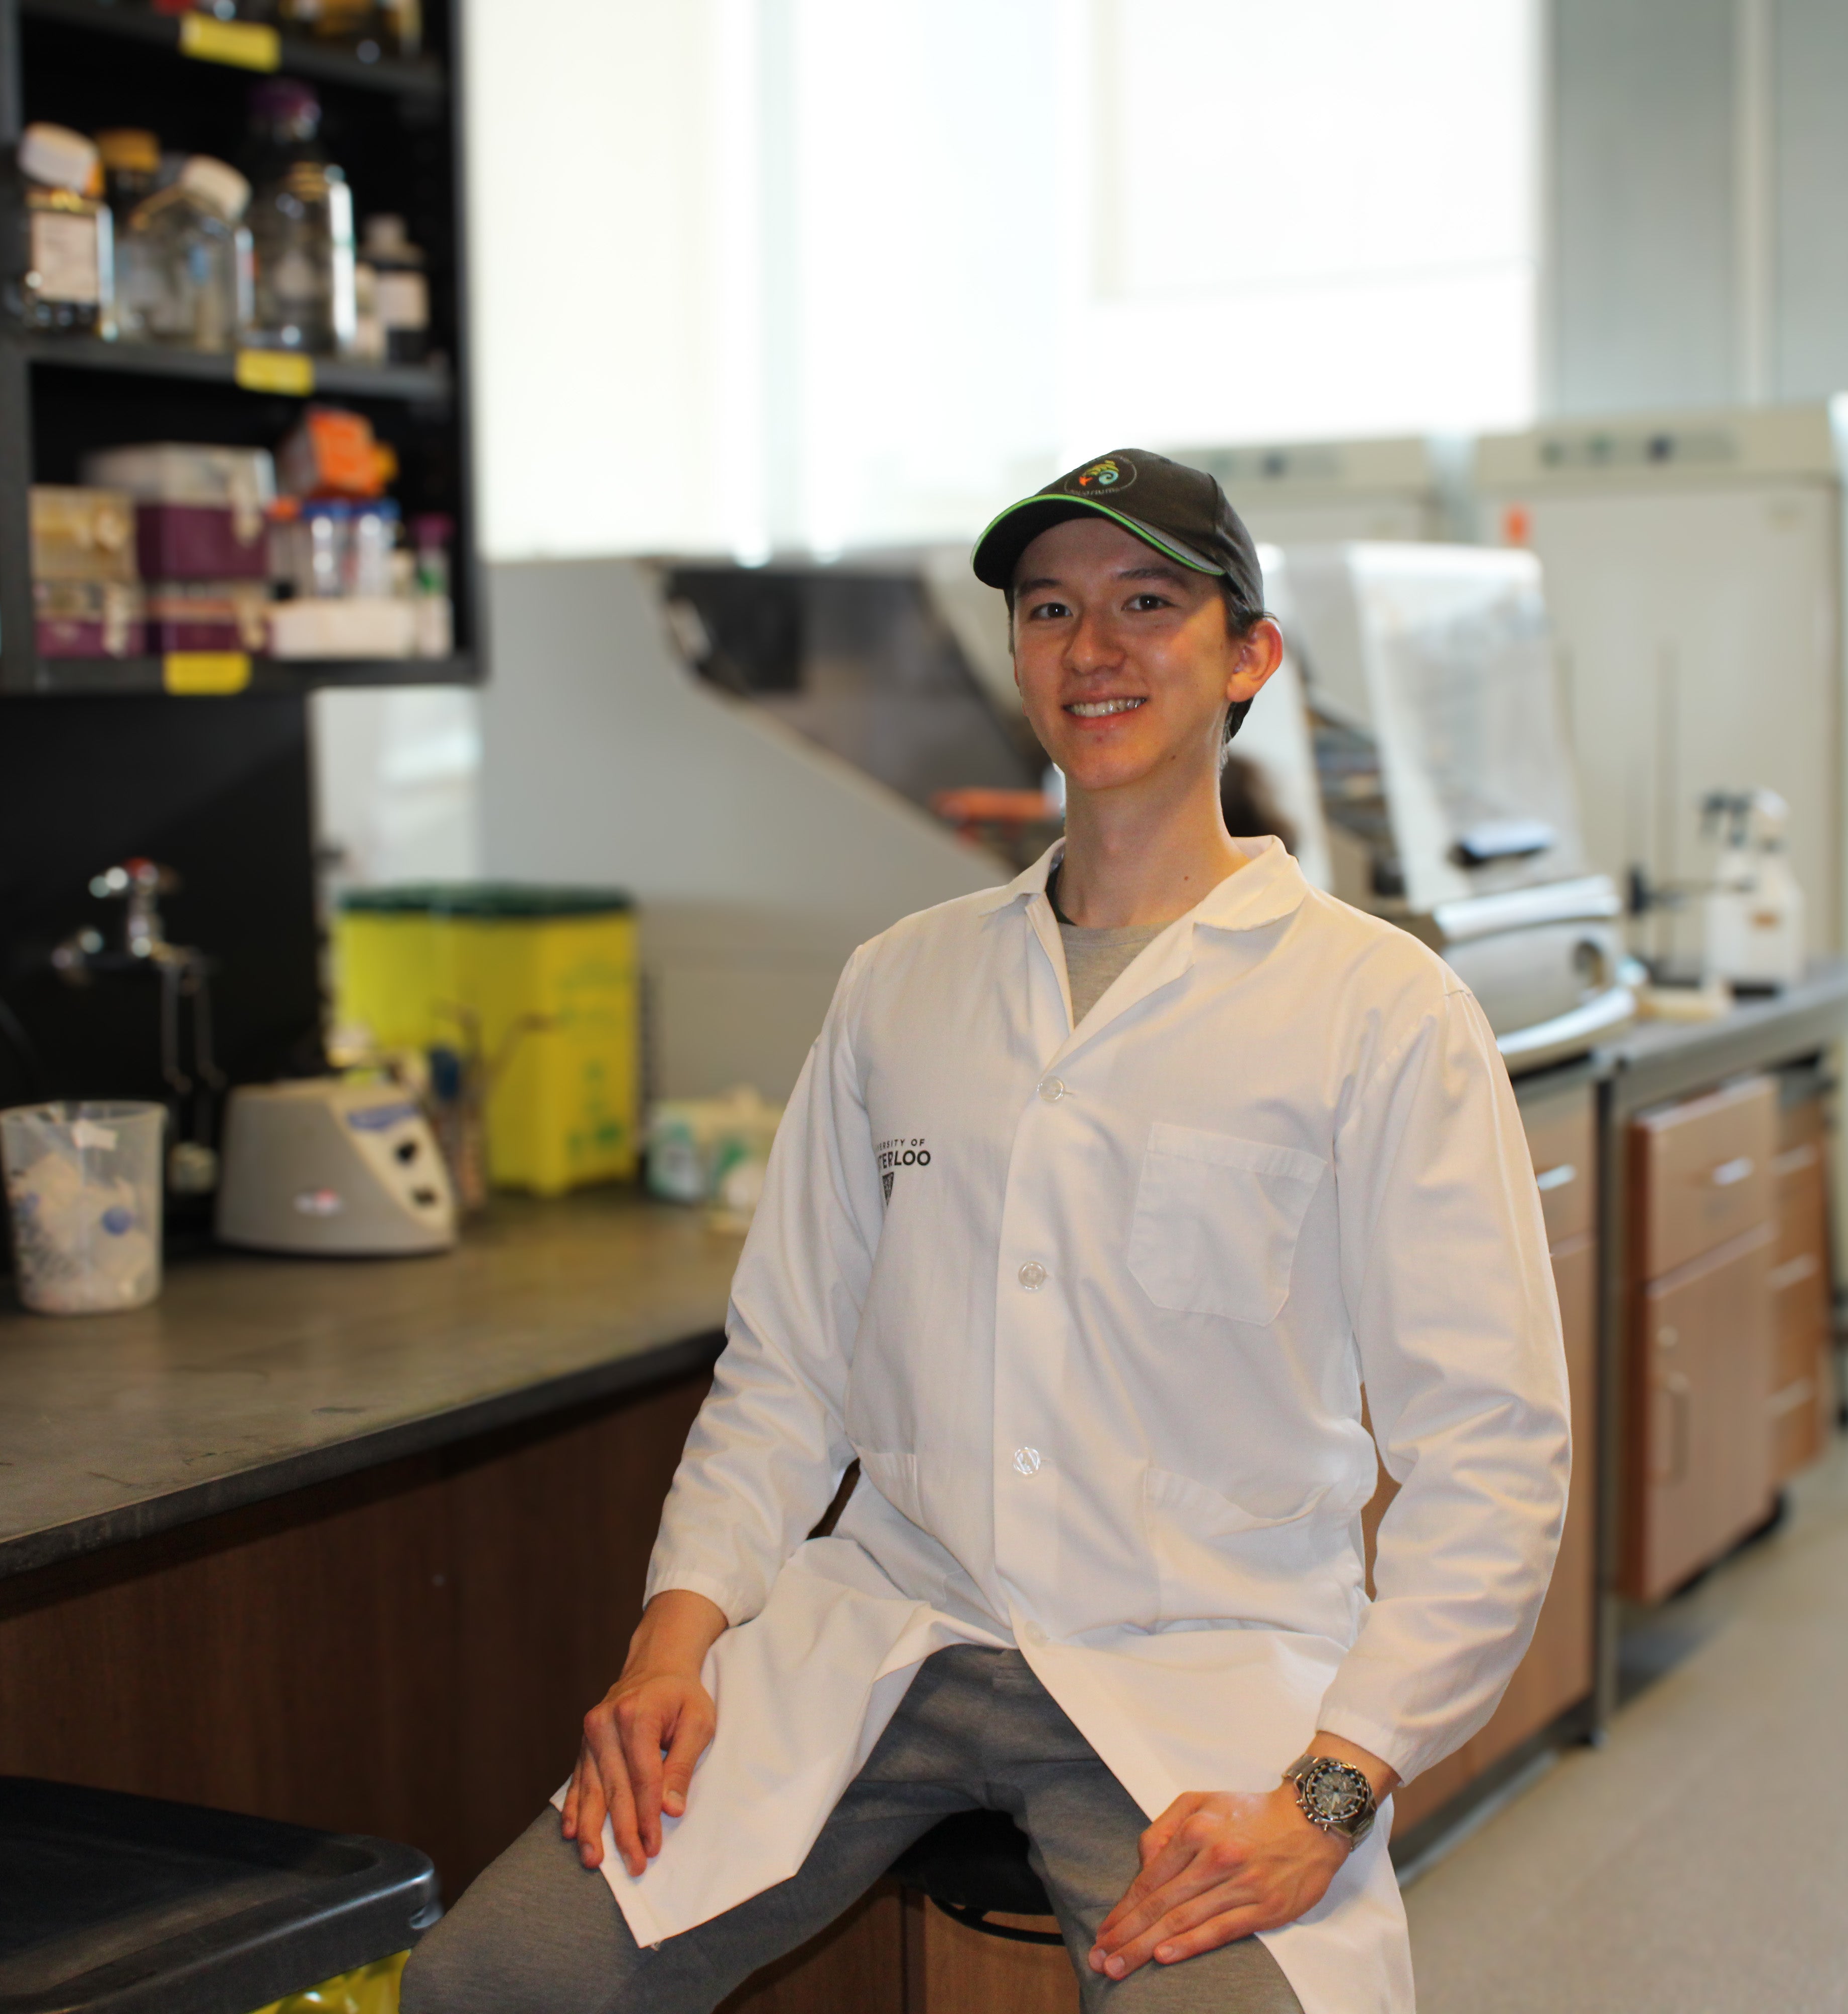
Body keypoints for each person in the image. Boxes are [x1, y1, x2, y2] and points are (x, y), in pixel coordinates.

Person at [404, 449, 1571, 2012]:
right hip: (888, 1627)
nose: (1095, 648)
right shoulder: (904, 981)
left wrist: (1332, 1799)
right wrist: (670, 1647)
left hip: (1199, 1665)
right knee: (495, 1985)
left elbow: (1491, 1456)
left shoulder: (1378, 1010)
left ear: (1248, 655)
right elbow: (786, 1371)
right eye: (1050, 609)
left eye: (1149, 604)